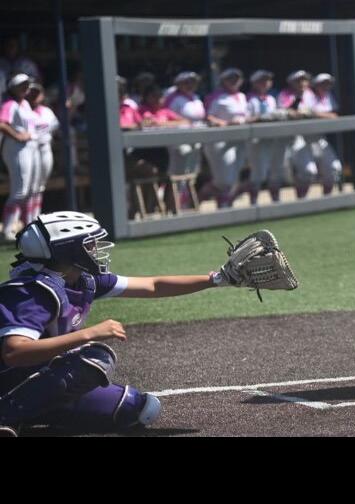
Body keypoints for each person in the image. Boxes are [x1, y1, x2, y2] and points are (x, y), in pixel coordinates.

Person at [0, 212, 236, 437]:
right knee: (96, 357)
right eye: (89, 244)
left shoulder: (80, 279)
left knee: (138, 408)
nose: (96, 249)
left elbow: (154, 285)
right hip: (11, 376)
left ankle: (27, 413)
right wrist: (89, 334)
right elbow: (14, 352)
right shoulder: (31, 292)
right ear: (68, 251)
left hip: (36, 375)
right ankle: (7, 415)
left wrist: (216, 279)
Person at [0, 74, 39, 241]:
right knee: (20, 190)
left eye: (27, 84)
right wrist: (17, 135)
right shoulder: (10, 103)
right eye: (21, 85)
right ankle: (7, 229)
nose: (25, 87)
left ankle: (27, 226)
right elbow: (2, 123)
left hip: (29, 147)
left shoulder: (25, 104)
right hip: (16, 148)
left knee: (30, 190)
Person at [202, 68, 249, 208]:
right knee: (224, 180)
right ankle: (201, 195)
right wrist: (227, 123)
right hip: (220, 140)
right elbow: (208, 117)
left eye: (237, 79)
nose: (234, 82)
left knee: (233, 178)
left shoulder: (242, 96)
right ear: (223, 81)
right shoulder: (216, 97)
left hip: (239, 138)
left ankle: (225, 207)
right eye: (230, 79)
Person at [162, 71, 205, 208]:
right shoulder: (172, 98)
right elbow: (166, 118)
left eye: (193, 82)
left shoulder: (196, 98)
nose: (190, 85)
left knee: (192, 173)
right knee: (178, 174)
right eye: (186, 82)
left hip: (196, 139)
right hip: (179, 140)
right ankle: (174, 205)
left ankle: (186, 204)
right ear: (179, 84)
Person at [245, 70, 287, 204]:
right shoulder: (249, 99)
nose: (265, 83)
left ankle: (275, 201)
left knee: (276, 171)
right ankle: (253, 203)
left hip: (273, 138)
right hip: (256, 140)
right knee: (259, 173)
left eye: (267, 80)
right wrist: (262, 118)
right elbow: (245, 119)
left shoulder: (271, 99)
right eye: (261, 81)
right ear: (254, 83)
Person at [279, 70, 318, 199]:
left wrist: (309, 113)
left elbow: (317, 112)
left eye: (304, 80)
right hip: (283, 138)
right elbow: (286, 111)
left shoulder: (310, 94)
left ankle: (302, 200)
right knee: (283, 176)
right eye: (298, 80)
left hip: (302, 137)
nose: (302, 83)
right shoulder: (285, 94)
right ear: (291, 83)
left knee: (309, 171)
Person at [25, 83, 57, 223]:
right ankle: (28, 219)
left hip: (45, 148)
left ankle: (35, 218)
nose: (35, 96)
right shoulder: (23, 110)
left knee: (40, 186)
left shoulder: (47, 111)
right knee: (30, 186)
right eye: (32, 93)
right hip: (30, 149)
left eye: (37, 93)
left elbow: (56, 128)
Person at [307, 73, 343, 195]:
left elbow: (334, 113)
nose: (325, 86)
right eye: (322, 84)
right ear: (315, 85)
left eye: (328, 84)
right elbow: (309, 112)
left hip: (321, 138)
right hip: (304, 138)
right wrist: (327, 115)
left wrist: (327, 115)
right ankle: (302, 204)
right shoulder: (309, 95)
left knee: (335, 168)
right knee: (308, 172)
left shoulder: (328, 96)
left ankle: (326, 200)